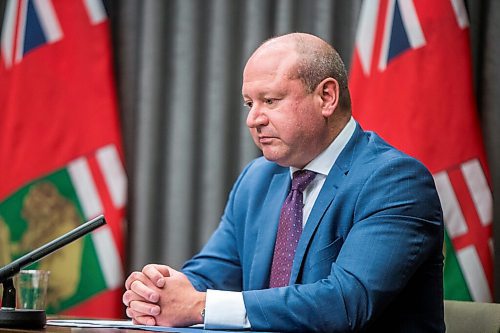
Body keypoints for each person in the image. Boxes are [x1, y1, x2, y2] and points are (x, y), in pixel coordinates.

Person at [122, 32, 445, 332]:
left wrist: (198, 306)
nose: (253, 119)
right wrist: (157, 294)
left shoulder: (394, 181)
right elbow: (211, 275)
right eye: (250, 103)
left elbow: (346, 303)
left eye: (271, 100)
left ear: (326, 96)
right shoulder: (257, 179)